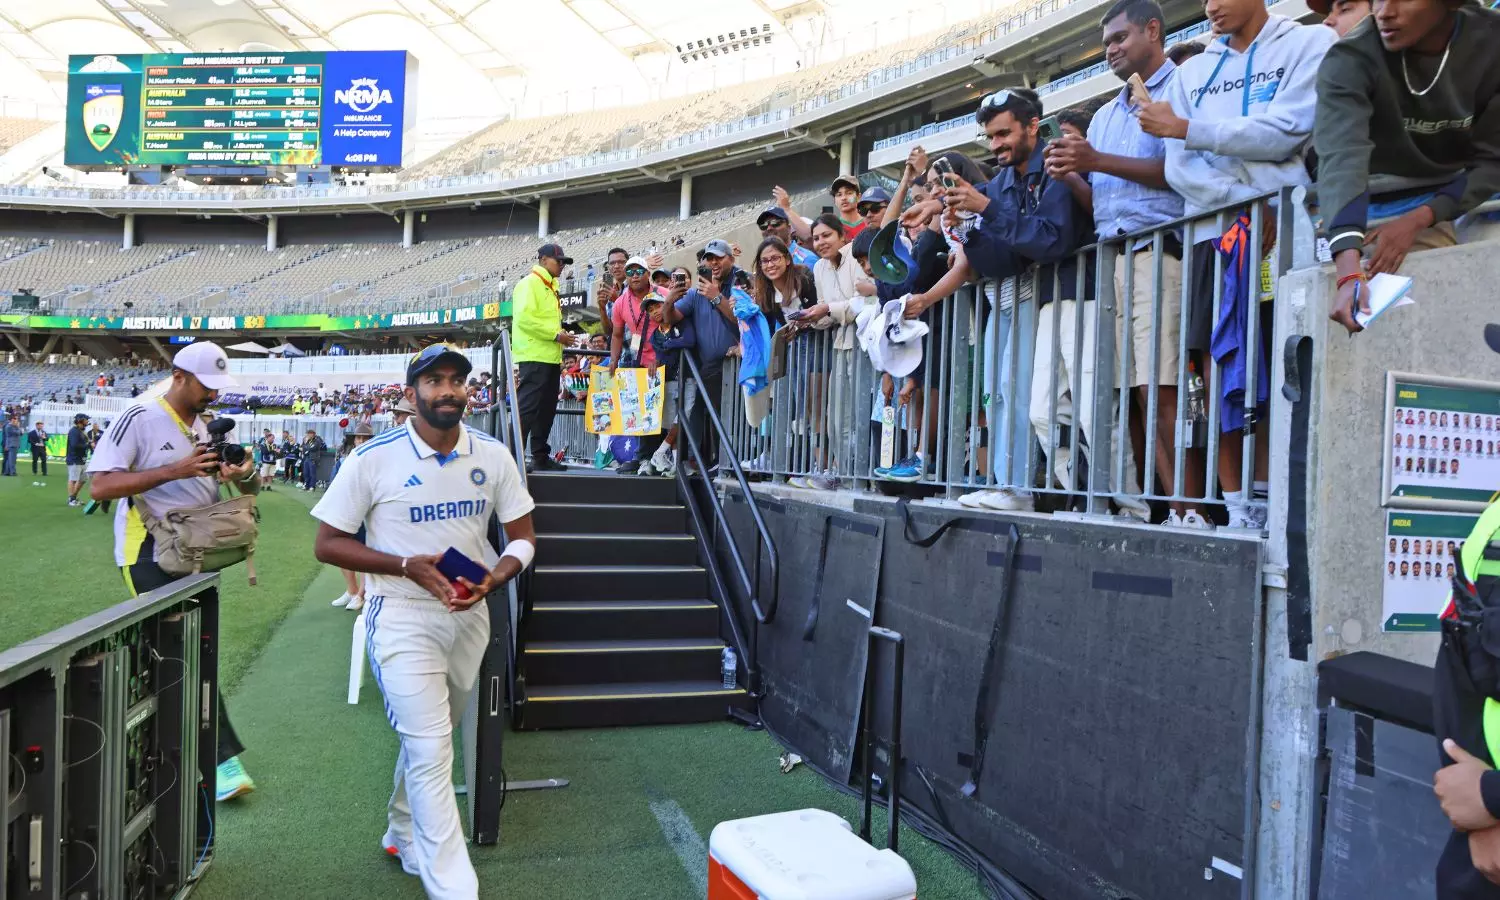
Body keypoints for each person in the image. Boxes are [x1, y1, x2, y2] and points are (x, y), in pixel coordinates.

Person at [311, 343, 537, 900]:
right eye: (434, 381)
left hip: (471, 614)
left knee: (430, 741)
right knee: (435, 748)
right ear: (411, 395)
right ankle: (454, 887)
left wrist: (496, 577)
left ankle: (401, 830)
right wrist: (404, 566)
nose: (448, 390)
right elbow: (327, 545)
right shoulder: (372, 458)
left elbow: (524, 539)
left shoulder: (494, 454)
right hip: (402, 616)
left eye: (457, 381)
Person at [1142, 0, 1334, 528]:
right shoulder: (1194, 70)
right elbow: (1179, 166)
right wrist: (1244, 201)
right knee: (1222, 371)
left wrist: (1190, 129)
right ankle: (1239, 507)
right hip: (1216, 234)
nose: (1210, 6)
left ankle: (1284, 502)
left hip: (1286, 232)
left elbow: (1289, 131)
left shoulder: (1309, 43)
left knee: (1286, 368)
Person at [1046, 0, 1208, 528]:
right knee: (1133, 394)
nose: (1111, 49)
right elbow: (1105, 204)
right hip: (1116, 260)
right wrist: (1072, 173)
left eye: (1119, 38)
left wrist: (1093, 160)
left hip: (1161, 253)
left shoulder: (1181, 88)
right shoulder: (1106, 114)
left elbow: (1179, 174)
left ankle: (1192, 509)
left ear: (1153, 31)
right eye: (1106, 43)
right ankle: (1170, 507)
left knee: (1160, 389)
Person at [85, 341, 260, 802]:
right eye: (208, 386)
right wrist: (175, 470)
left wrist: (236, 472)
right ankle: (219, 761)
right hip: (149, 552)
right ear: (179, 376)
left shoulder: (202, 423)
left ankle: (158, 753)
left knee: (182, 653)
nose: (214, 396)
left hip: (198, 550)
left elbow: (234, 483)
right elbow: (100, 484)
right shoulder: (140, 415)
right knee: (183, 652)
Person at [1316, 0, 1500, 334]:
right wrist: (1347, 268)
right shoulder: (1349, 57)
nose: (1385, 11)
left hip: (1456, 199)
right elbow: (1342, 156)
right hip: (1360, 203)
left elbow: (1493, 160)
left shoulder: (1492, 41)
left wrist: (1418, 219)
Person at [664, 239, 745, 475]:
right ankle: (717, 463)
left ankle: (733, 463)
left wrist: (716, 296)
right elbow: (671, 318)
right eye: (709, 258)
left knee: (735, 417)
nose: (713, 262)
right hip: (710, 366)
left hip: (739, 362)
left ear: (731, 258)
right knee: (712, 416)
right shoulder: (696, 291)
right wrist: (670, 299)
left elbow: (742, 320)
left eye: (718, 257)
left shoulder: (741, 280)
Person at [512, 243, 578, 472]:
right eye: (558, 261)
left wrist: (558, 336)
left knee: (546, 409)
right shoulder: (530, 284)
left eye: (563, 262)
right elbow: (524, 319)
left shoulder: (549, 286)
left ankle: (539, 456)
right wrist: (556, 335)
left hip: (549, 356)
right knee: (528, 408)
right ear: (542, 259)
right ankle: (512, 458)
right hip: (534, 355)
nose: (561, 265)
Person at [607, 256, 665, 473]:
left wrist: (661, 357)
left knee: (662, 412)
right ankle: (642, 458)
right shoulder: (621, 302)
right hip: (638, 360)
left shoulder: (663, 294)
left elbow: (675, 323)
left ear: (648, 273)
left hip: (664, 359)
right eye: (630, 272)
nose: (634, 276)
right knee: (641, 412)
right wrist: (613, 359)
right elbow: (617, 334)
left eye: (639, 271)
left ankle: (659, 456)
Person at [330, 421, 375, 612]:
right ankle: (351, 590)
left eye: (365, 438)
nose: (361, 441)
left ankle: (361, 594)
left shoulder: (376, 459)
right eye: (358, 437)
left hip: (366, 512)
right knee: (342, 553)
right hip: (346, 510)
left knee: (362, 554)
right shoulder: (345, 458)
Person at [758, 203, 820, 268]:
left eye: (775, 223)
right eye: (763, 225)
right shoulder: (763, 262)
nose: (769, 228)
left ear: (789, 228)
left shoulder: (807, 259)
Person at [66, 414, 91, 506]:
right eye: (86, 419)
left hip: (82, 459)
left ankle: (74, 497)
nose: (87, 421)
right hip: (74, 459)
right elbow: (74, 445)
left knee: (83, 479)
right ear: (80, 420)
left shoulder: (81, 431)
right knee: (73, 479)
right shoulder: (74, 431)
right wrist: (88, 445)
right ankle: (71, 499)